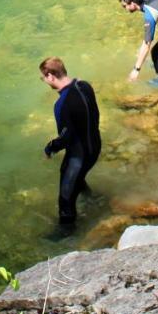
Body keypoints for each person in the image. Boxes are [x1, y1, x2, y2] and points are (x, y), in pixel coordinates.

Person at [40, 57, 103, 237]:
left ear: (51, 76)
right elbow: (95, 115)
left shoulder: (62, 104)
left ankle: (66, 232)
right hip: (95, 146)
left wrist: (50, 147)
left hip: (79, 154)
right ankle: (92, 199)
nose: (44, 81)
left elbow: (66, 137)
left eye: (43, 78)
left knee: (65, 198)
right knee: (74, 175)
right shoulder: (85, 85)